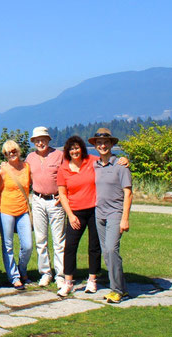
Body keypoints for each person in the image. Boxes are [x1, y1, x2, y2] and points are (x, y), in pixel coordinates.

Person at [89, 128, 133, 304]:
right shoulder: (95, 165)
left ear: (111, 144)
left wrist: (125, 218)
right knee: (106, 253)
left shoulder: (121, 166)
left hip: (115, 213)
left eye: (106, 143)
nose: (102, 146)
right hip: (99, 213)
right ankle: (121, 288)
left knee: (111, 249)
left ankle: (117, 290)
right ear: (95, 146)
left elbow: (128, 193)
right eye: (99, 143)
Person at [56, 135, 101, 297]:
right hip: (76, 212)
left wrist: (123, 160)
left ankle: (92, 280)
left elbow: (108, 159)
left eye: (77, 148)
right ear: (67, 151)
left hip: (95, 210)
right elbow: (62, 193)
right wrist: (70, 215)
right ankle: (68, 282)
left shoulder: (92, 161)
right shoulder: (63, 168)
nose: (75, 151)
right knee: (70, 247)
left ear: (82, 148)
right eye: (71, 149)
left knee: (94, 246)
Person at [25, 127, 67, 288]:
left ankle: (61, 274)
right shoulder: (30, 157)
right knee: (40, 239)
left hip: (55, 201)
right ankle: (45, 273)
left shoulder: (59, 155)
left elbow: (68, 175)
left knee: (59, 240)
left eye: (43, 139)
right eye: (37, 140)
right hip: (38, 200)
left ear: (49, 140)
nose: (40, 142)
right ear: (34, 142)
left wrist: (64, 195)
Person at [0, 140, 33, 290]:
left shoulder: (27, 167)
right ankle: (14, 276)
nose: (11, 154)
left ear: (18, 151)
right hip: (5, 209)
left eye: (13, 151)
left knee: (28, 245)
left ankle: (22, 269)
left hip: (23, 209)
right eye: (7, 152)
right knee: (8, 245)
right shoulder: (3, 170)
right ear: (4, 155)